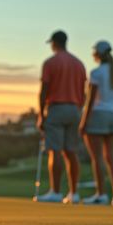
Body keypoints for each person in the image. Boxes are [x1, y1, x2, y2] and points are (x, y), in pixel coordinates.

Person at [36, 30, 86, 204]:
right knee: (71, 152)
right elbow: (83, 92)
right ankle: (74, 193)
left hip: (56, 109)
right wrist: (79, 110)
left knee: (55, 150)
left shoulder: (50, 62)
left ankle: (56, 192)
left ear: (55, 43)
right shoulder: (79, 64)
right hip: (74, 109)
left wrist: (41, 114)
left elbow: (44, 91)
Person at [79, 41, 113, 206]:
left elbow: (90, 100)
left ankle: (101, 194)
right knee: (111, 157)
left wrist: (83, 122)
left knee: (97, 157)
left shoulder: (96, 72)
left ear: (98, 54)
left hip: (98, 115)